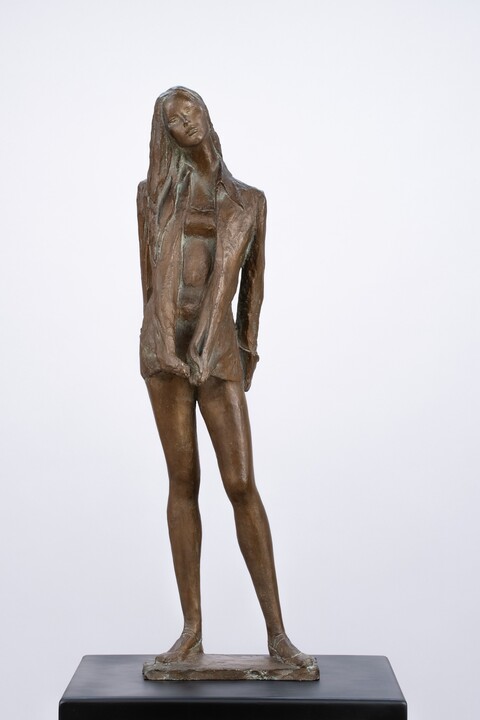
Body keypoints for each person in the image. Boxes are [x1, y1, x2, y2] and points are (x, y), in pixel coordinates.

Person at [137, 86, 314, 670]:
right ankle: (191, 630)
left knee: (240, 483)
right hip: (166, 349)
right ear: (165, 133)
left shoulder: (248, 201)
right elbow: (148, 281)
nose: (184, 121)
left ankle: (278, 635)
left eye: (190, 110)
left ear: (206, 115)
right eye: (172, 118)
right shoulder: (151, 196)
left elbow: (253, 288)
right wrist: (160, 342)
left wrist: (247, 350)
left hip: (217, 353)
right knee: (182, 481)